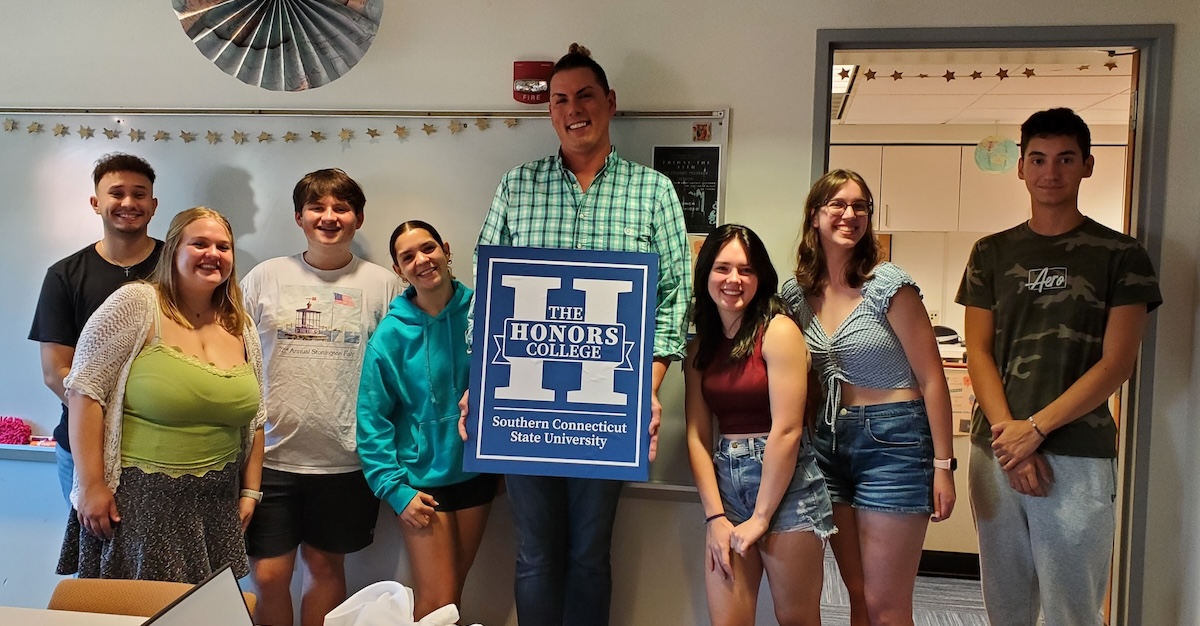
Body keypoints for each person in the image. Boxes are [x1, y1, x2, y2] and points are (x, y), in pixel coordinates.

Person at [459, 43, 692, 626]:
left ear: (610, 103)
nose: (573, 108)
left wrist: (648, 388)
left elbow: (675, 301)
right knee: (536, 555)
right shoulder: (517, 187)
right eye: (560, 99)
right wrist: (480, 385)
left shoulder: (654, 192)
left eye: (585, 95)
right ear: (550, 113)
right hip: (523, 404)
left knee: (589, 556)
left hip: (609, 407)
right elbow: (488, 296)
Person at [956, 108, 1161, 626]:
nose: (1051, 172)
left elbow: (1118, 363)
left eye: (1066, 159)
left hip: (1078, 454)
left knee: (1073, 609)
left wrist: (1037, 430)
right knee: (1007, 607)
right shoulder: (991, 253)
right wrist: (1011, 439)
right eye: (1039, 159)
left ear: (1087, 166)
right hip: (997, 451)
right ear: (1020, 168)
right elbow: (977, 351)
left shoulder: (1121, 254)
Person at [780, 169, 956, 626]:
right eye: (837, 204)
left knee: (886, 605)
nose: (850, 214)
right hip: (828, 445)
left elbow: (932, 379)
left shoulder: (888, 285)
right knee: (856, 593)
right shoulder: (797, 294)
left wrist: (943, 467)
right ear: (815, 216)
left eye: (860, 206)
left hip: (895, 442)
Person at [56, 206, 265, 583]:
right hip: (138, 500)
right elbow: (85, 393)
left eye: (223, 246)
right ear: (173, 250)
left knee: (201, 614)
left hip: (216, 503)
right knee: (135, 614)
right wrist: (90, 486)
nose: (213, 254)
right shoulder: (135, 304)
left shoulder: (241, 324)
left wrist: (250, 491)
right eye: (199, 243)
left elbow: (257, 417)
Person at [241, 168, 402, 626]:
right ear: (299, 216)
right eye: (317, 207)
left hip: (347, 459)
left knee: (326, 568)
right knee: (269, 577)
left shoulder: (384, 285)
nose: (329, 216)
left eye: (341, 207)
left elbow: (400, 366)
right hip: (269, 459)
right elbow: (236, 357)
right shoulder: (264, 277)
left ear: (359, 218)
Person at [683, 224, 834, 626]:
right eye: (723, 268)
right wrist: (716, 518)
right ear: (706, 276)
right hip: (727, 489)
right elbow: (698, 436)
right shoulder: (699, 348)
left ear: (759, 278)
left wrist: (762, 517)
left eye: (746, 270)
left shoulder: (779, 330)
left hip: (787, 489)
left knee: (796, 618)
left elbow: (787, 428)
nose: (733, 280)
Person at [356, 220, 497, 620]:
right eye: (408, 256)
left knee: (452, 600)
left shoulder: (485, 312)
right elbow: (372, 422)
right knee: (436, 603)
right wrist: (395, 491)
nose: (422, 260)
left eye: (429, 248)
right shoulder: (390, 335)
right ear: (399, 269)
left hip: (475, 476)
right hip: (419, 486)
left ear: (447, 250)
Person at [29, 153, 164, 504]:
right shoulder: (64, 276)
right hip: (81, 451)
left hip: (162, 448)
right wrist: (105, 424)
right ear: (96, 203)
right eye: (117, 193)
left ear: (153, 205)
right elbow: (55, 370)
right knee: (89, 555)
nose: (128, 203)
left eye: (139, 194)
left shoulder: (179, 268)